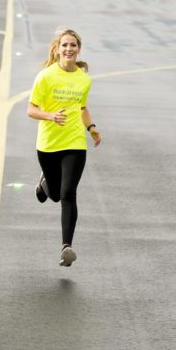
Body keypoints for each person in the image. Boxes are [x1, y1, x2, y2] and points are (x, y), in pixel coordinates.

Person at [27, 27, 101, 266]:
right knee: (57, 195)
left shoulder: (83, 79)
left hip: (74, 143)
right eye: (65, 45)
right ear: (58, 49)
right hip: (48, 144)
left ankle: (66, 247)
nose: (69, 49)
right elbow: (31, 109)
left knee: (69, 194)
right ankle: (44, 184)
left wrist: (91, 129)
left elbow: (82, 108)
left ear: (78, 49)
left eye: (73, 45)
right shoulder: (46, 76)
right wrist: (50, 116)